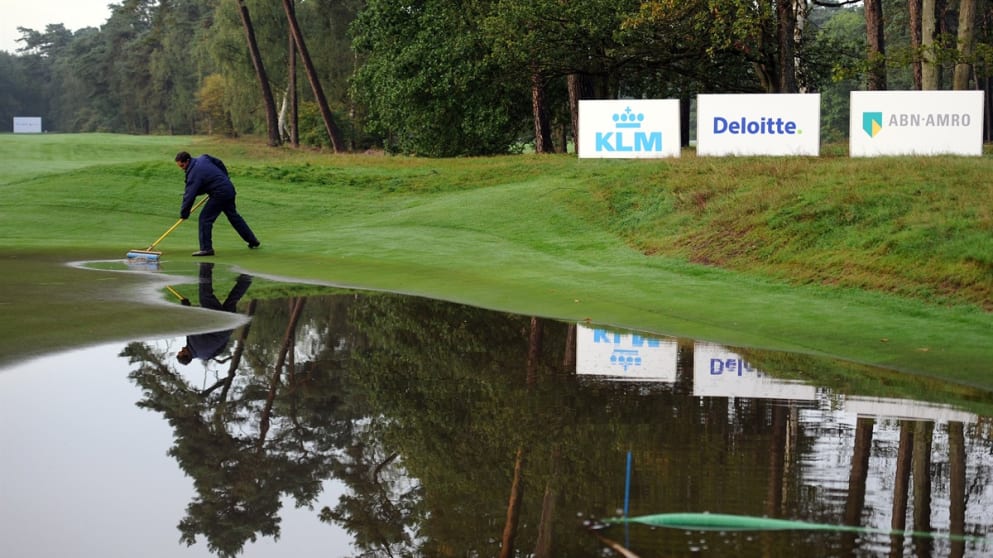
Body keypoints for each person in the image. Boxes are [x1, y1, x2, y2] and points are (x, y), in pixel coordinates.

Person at [175, 151, 261, 257]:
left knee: (205, 219)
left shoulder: (194, 173)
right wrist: (224, 178)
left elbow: (190, 195)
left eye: (182, 165)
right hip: (228, 188)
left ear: (187, 161)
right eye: (180, 166)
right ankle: (253, 241)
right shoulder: (204, 158)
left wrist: (184, 213)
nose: (182, 168)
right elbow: (219, 163)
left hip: (219, 194)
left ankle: (206, 249)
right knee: (233, 216)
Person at [176, 263, 253, 366]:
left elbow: (220, 349)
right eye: (182, 351)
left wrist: (225, 334)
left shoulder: (205, 356)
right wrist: (186, 306)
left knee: (232, 300)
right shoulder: (195, 344)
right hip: (219, 321)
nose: (181, 349)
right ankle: (206, 267)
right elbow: (192, 323)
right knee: (205, 296)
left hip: (228, 327)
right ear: (186, 355)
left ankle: (246, 278)